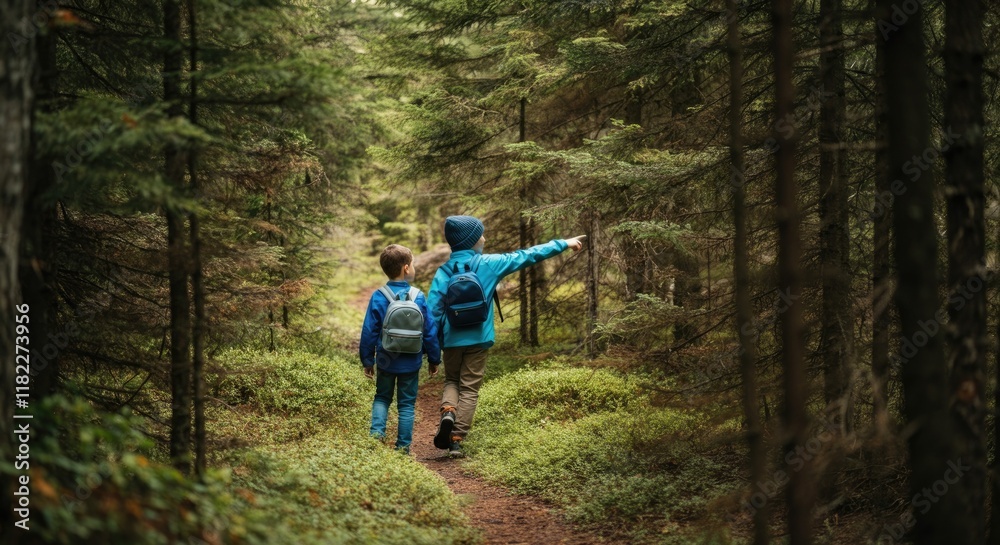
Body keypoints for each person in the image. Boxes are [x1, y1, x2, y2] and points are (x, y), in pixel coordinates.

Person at [427, 215, 585, 457]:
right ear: (471, 241)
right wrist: (563, 243)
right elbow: (527, 255)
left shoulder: (444, 272)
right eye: (480, 235)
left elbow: (433, 313)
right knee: (469, 389)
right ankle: (456, 439)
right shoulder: (491, 263)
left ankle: (448, 411)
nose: (484, 238)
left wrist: (432, 349)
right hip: (479, 339)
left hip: (451, 341)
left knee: (452, 381)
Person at [359, 244, 441, 454]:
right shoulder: (418, 296)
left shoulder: (379, 296)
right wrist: (434, 359)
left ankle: (375, 440)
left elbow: (369, 330)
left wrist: (368, 360)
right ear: (406, 268)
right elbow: (429, 330)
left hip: (386, 359)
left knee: (382, 398)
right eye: (412, 264)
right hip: (411, 361)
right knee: (406, 404)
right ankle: (403, 449)